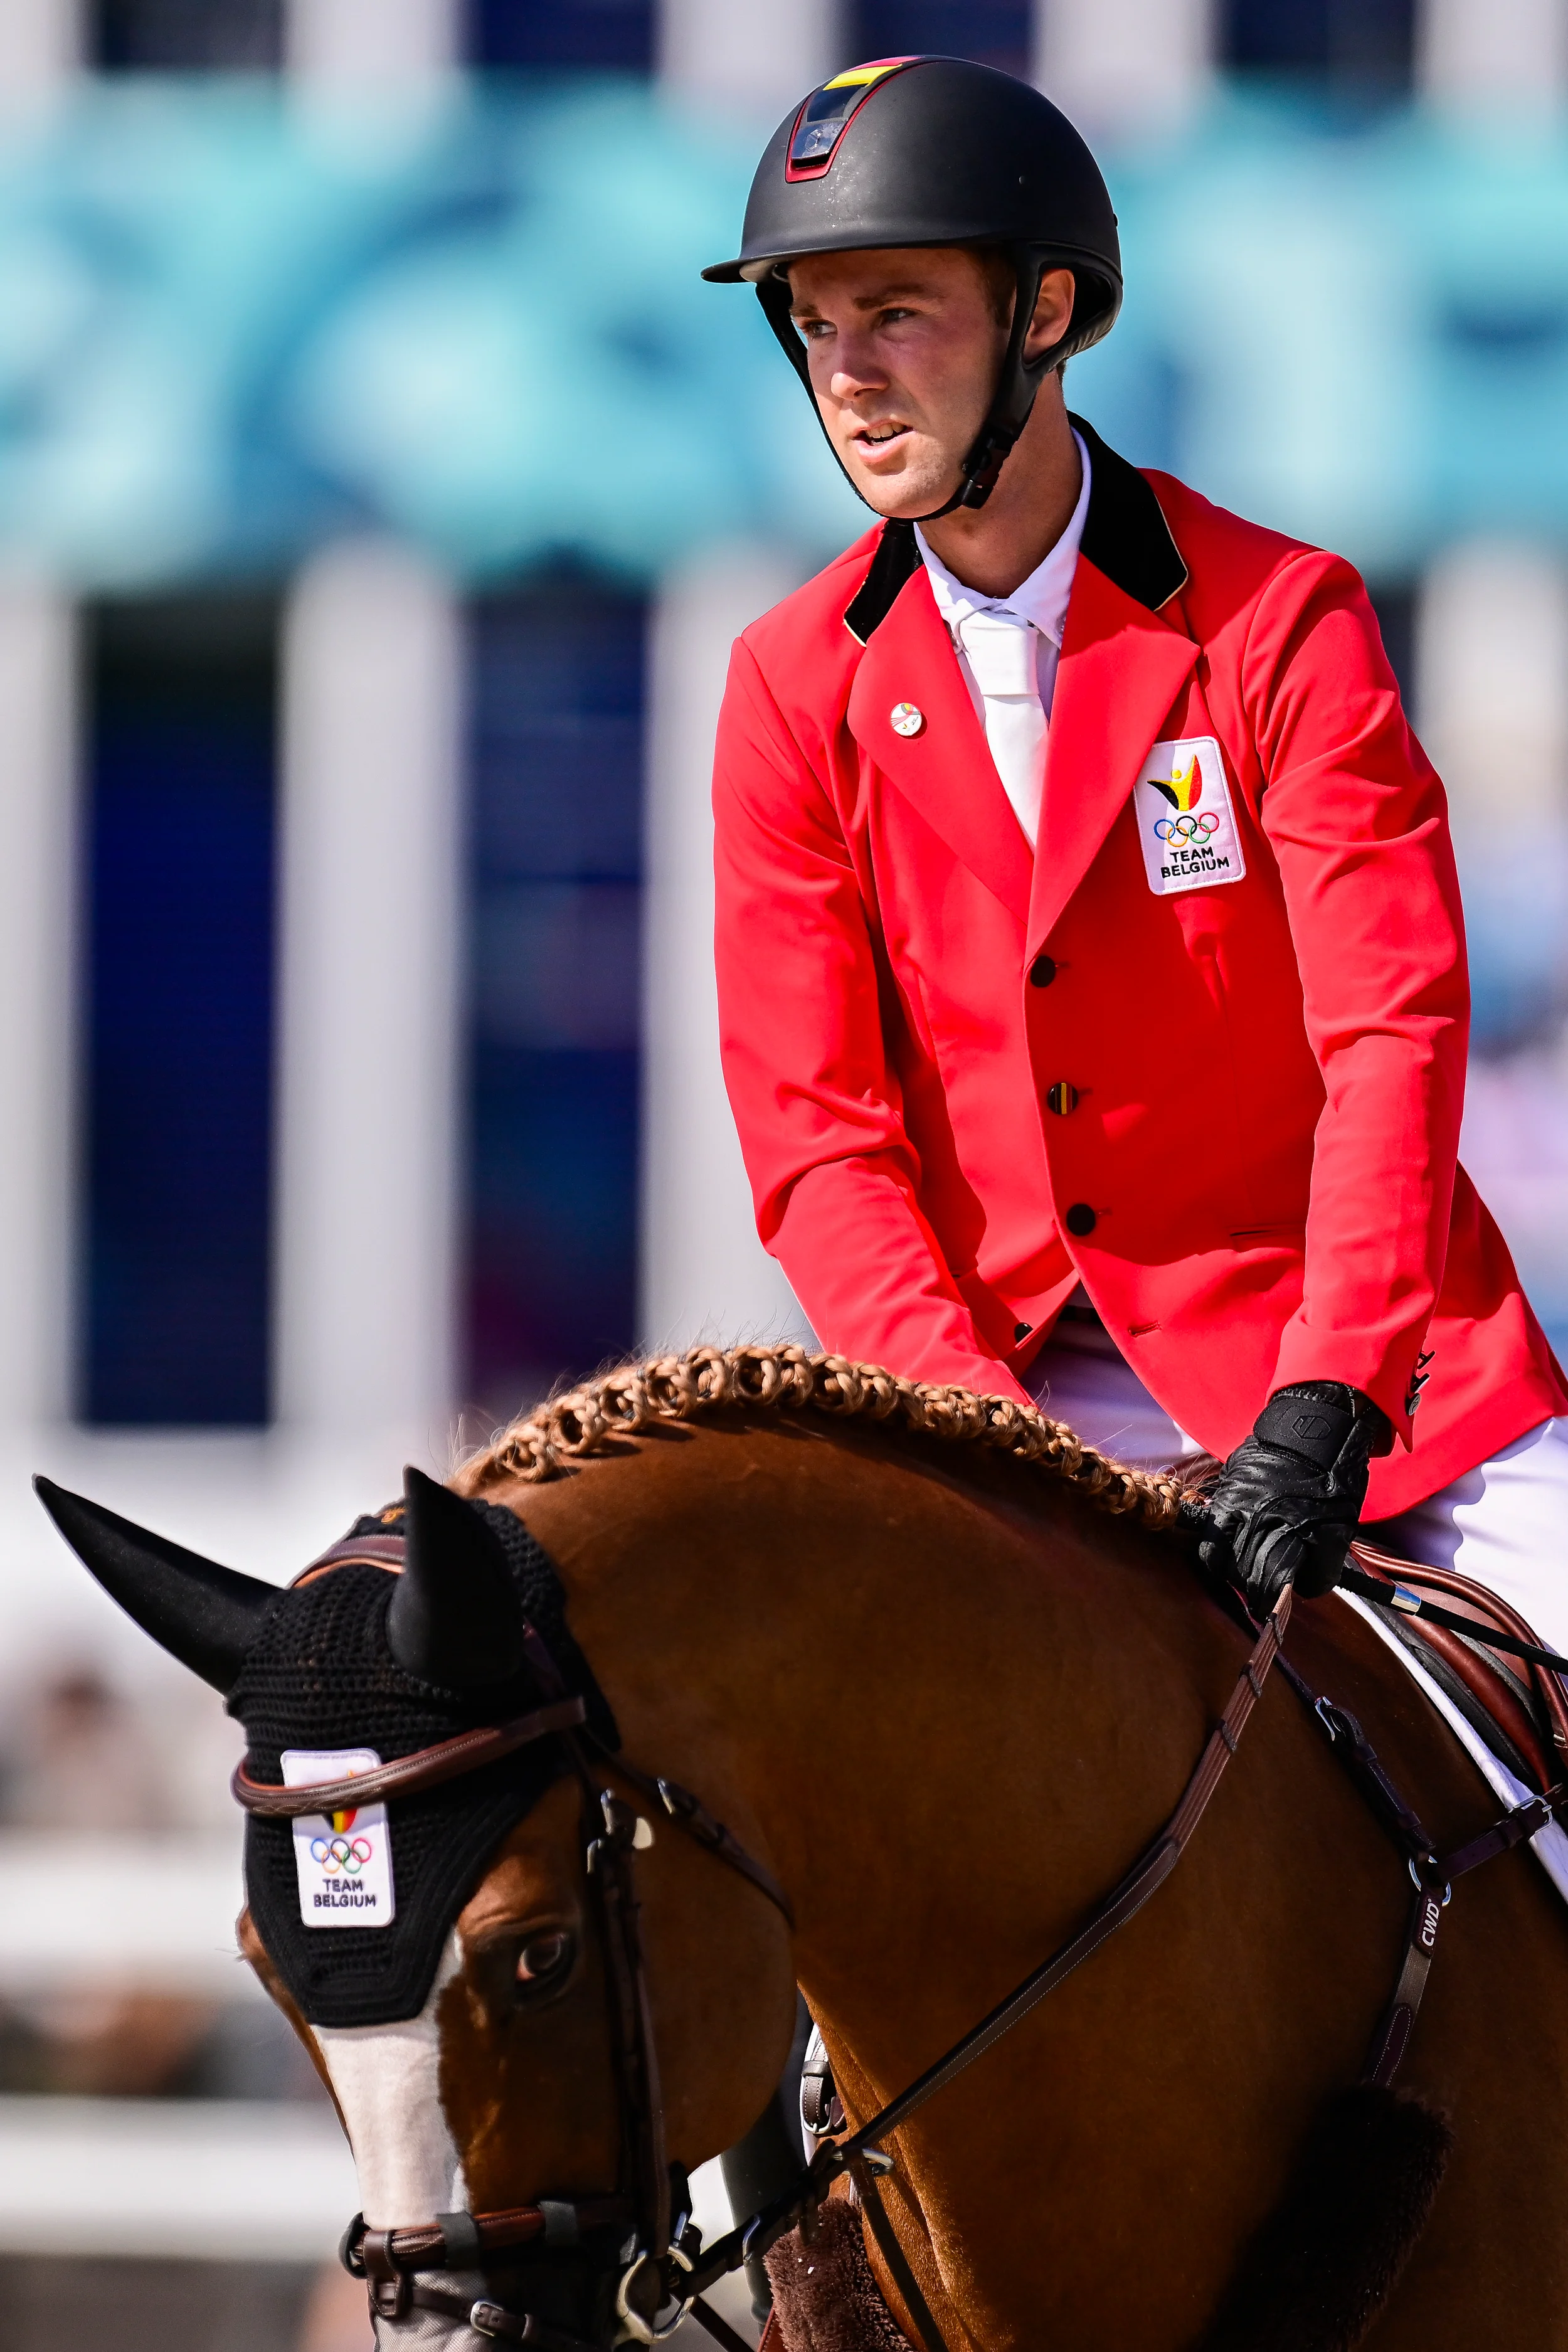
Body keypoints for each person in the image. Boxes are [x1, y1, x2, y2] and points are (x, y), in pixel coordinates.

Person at [703, 55, 1568, 1643]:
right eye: (814, 327)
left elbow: (1391, 1036)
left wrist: (1330, 1390)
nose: (848, 375)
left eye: (895, 313)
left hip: (1370, 1387)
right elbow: (817, 1139)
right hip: (1018, 1404)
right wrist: (978, 1442)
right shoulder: (786, 684)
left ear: (1042, 313)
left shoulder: (1276, 619)